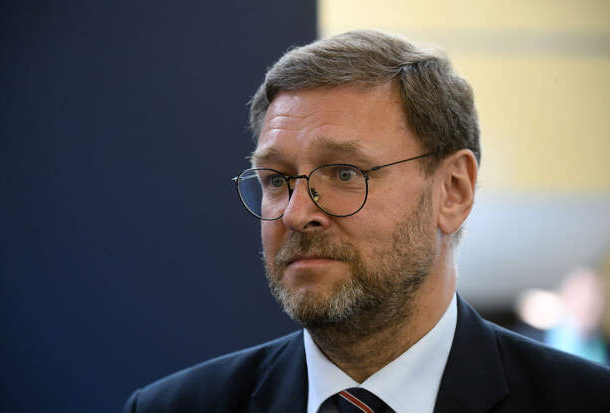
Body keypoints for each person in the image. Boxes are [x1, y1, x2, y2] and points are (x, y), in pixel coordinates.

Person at [123, 30, 610, 413]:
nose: (296, 213)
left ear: (453, 190)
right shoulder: (175, 407)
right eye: (276, 180)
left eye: (344, 173)